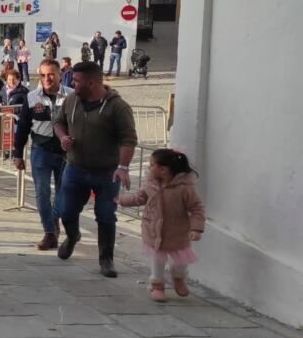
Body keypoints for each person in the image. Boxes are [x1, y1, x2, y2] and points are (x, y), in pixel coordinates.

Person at [53, 61, 139, 277]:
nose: (72, 83)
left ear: (91, 82)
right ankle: (73, 237)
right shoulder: (71, 100)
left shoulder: (118, 107)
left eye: (76, 81)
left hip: (107, 172)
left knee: (106, 215)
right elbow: (58, 122)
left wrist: (123, 167)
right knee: (66, 210)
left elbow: (129, 139)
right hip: (75, 168)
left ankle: (106, 259)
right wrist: (63, 137)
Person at [117, 149, 205, 302]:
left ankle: (178, 278)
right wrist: (122, 200)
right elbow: (139, 198)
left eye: (152, 165)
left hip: (177, 233)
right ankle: (157, 285)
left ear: (163, 170)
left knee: (181, 262)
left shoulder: (184, 188)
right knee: (157, 261)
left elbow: (196, 208)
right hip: (154, 231)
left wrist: (196, 228)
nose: (149, 168)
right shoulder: (150, 185)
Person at [13, 59, 71, 250]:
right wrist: (18, 153)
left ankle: (54, 219)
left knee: (64, 193)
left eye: (51, 75)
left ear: (59, 75)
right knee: (42, 192)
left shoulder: (72, 96)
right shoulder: (32, 97)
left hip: (66, 153)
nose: (46, 79)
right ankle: (49, 232)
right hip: (41, 150)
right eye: (43, 75)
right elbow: (22, 127)